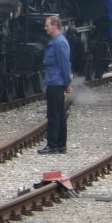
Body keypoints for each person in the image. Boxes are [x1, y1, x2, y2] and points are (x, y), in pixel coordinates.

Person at [39, 15, 72, 155]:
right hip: (55, 81)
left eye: (47, 25)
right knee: (59, 113)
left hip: (56, 82)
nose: (45, 28)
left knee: (54, 114)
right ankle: (60, 145)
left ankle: (53, 145)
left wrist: (67, 83)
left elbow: (65, 65)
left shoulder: (59, 43)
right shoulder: (57, 41)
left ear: (55, 26)